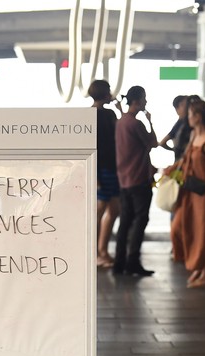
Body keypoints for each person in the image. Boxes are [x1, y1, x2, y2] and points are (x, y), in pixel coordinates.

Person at [168, 99, 205, 289]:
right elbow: (185, 159)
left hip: (204, 193)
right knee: (179, 227)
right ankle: (197, 267)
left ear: (198, 117)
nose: (188, 118)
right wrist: (171, 168)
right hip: (189, 191)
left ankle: (204, 273)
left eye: (191, 114)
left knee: (203, 232)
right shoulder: (193, 136)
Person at [112, 85, 157, 277]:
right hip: (139, 179)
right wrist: (150, 122)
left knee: (125, 222)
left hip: (124, 179)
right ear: (137, 101)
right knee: (140, 220)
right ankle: (133, 261)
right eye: (144, 98)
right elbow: (152, 143)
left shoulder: (121, 122)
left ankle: (119, 263)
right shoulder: (136, 124)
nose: (146, 102)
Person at [88, 79, 121, 269]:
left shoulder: (91, 115)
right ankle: (99, 252)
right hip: (104, 168)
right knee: (103, 208)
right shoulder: (107, 115)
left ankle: (101, 251)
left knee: (110, 208)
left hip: (103, 168)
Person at [158, 95, 190, 162]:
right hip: (181, 161)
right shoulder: (179, 125)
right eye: (183, 105)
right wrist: (175, 149)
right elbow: (162, 142)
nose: (187, 107)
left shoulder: (186, 122)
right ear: (177, 109)